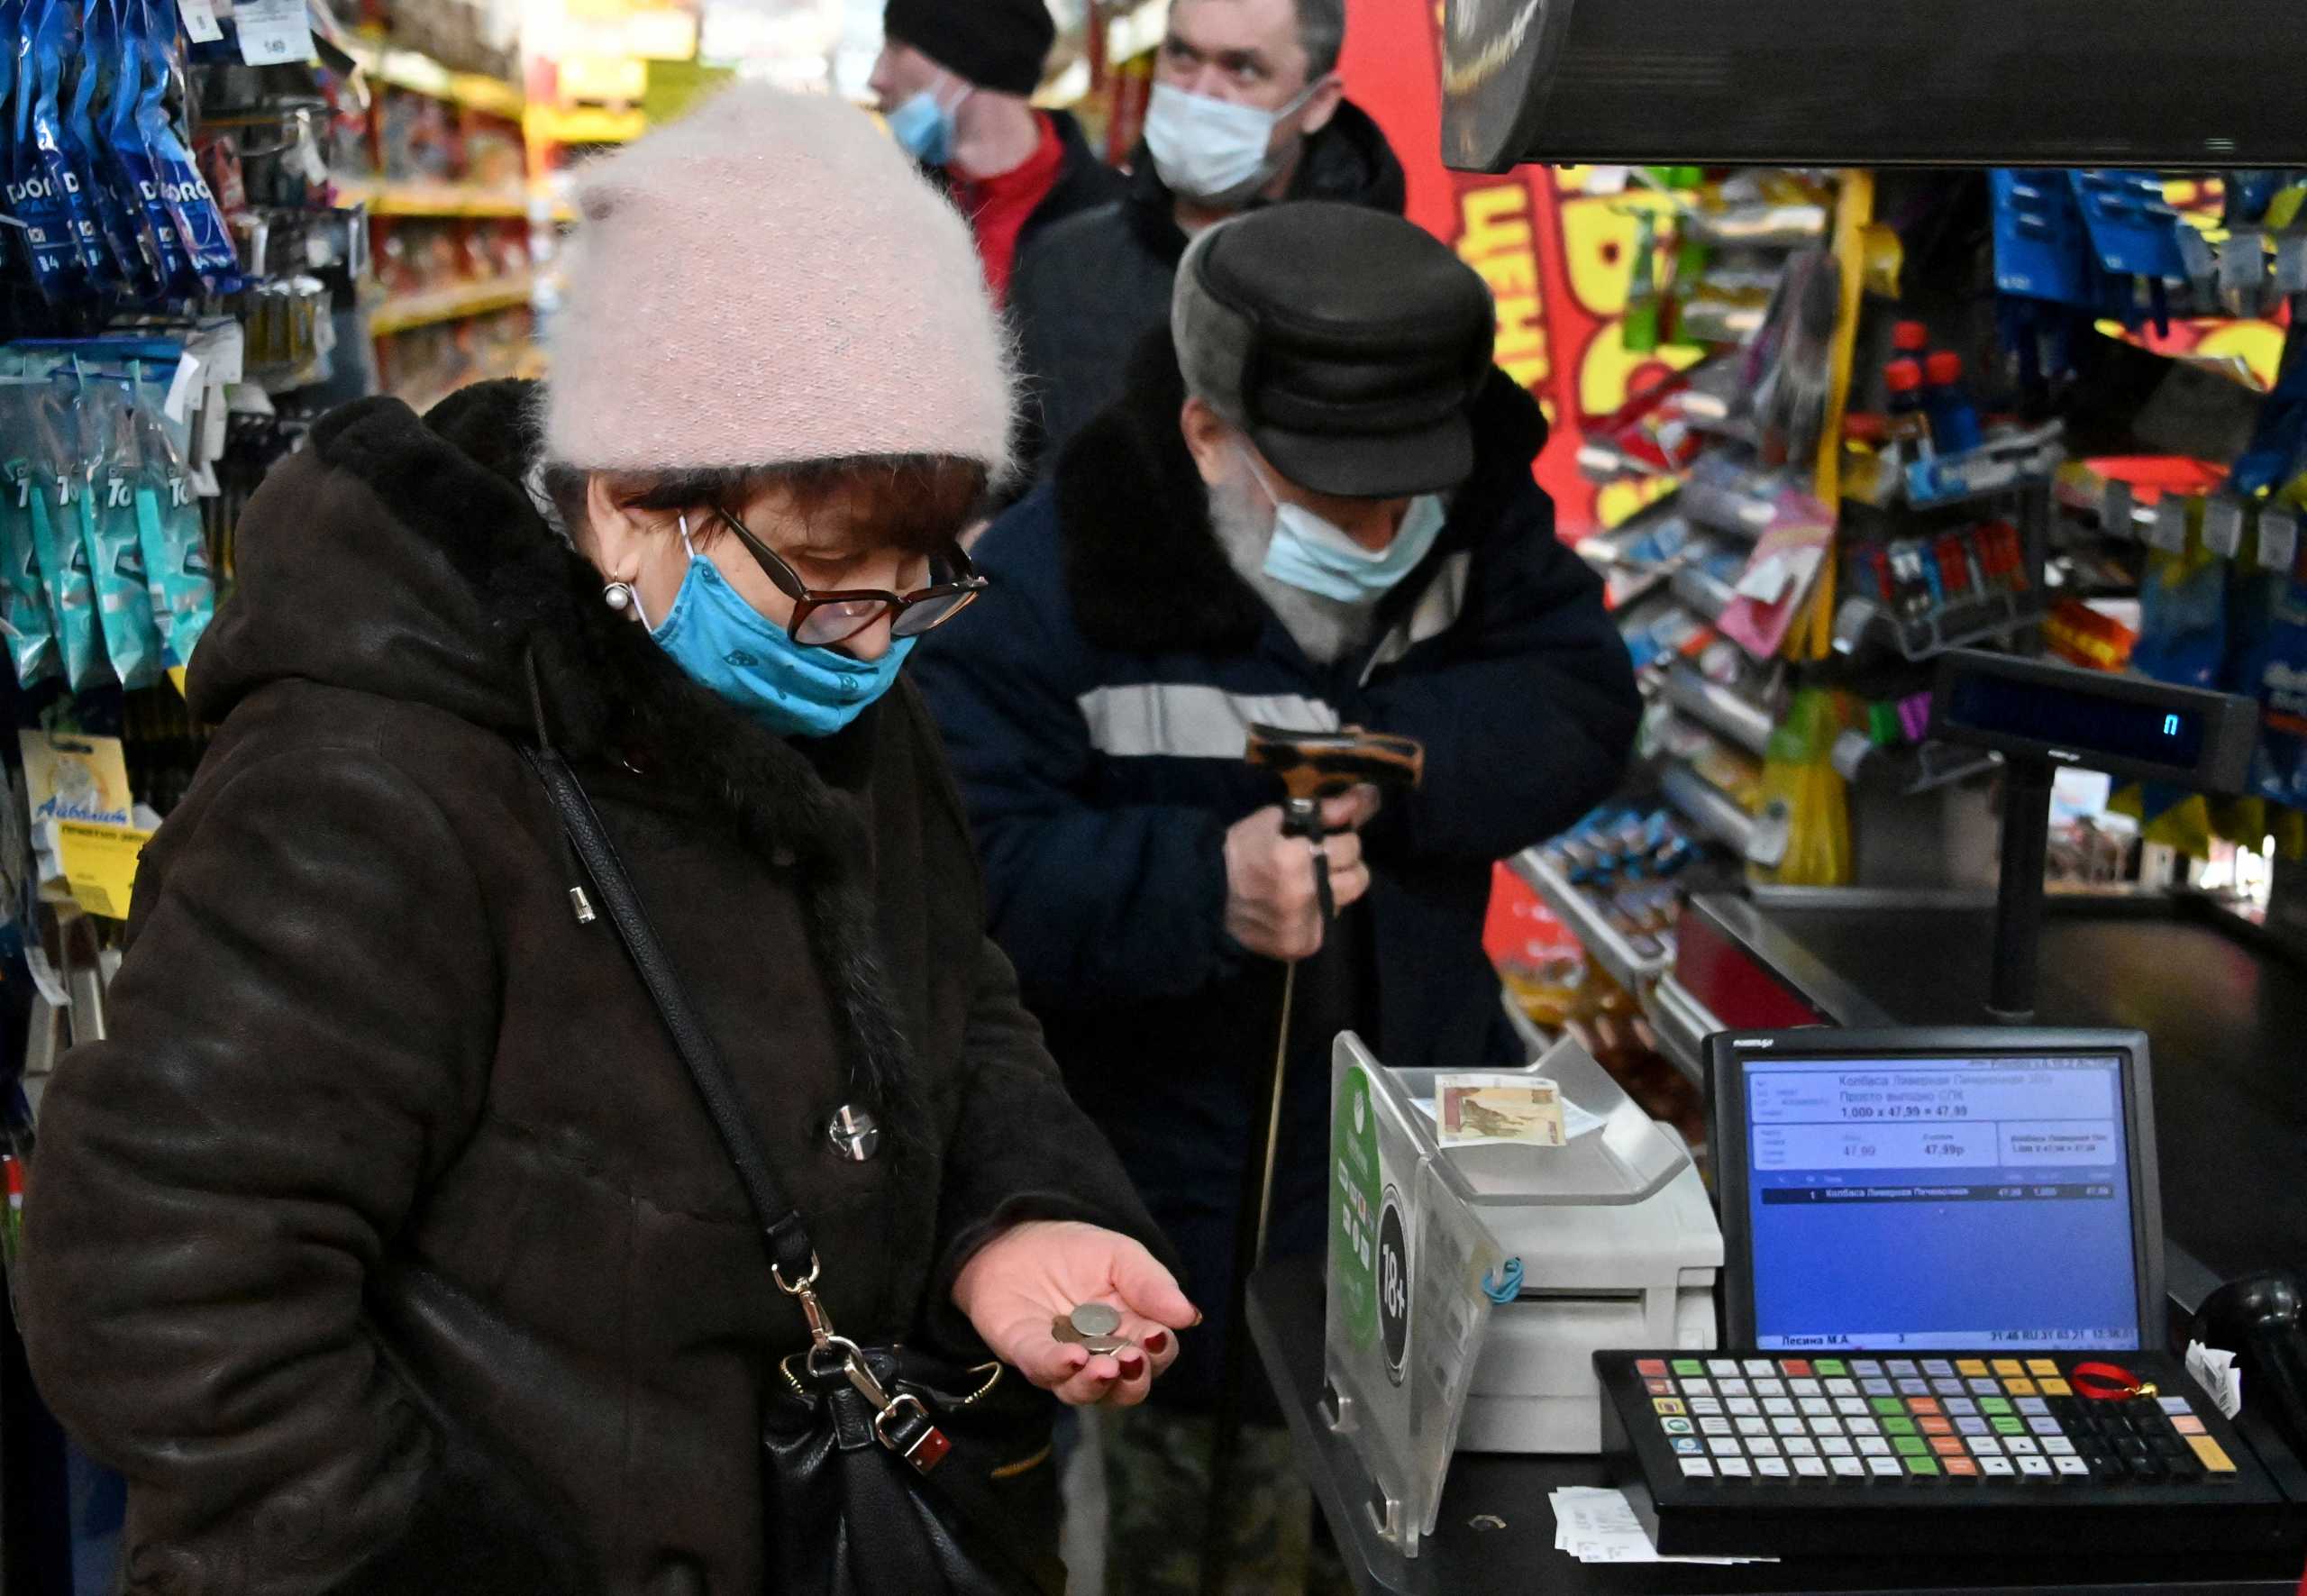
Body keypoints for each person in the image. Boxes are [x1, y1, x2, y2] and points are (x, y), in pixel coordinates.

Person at [20, 86, 1196, 1596]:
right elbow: (158, 1279)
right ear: (639, 499)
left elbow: (948, 996)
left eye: (925, 582)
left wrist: (1011, 1219)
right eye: (833, 578)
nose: (874, 642)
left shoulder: (842, 683)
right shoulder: (373, 775)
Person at [913, 203, 1643, 1592]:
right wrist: (1205, 889)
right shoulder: (1041, 589)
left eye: (1401, 492)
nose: (1379, 530)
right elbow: (970, 878)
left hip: (1429, 1169)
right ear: (1206, 438)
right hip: (1182, 1200)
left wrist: (1413, 767)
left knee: (1420, 1541)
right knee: (1207, 1537)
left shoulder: (1473, 518)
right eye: (1328, 496)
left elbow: (1582, 699)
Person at [1008, 0, 1404, 476]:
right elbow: (1010, 480)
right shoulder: (1059, 267)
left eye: (1242, 68)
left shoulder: (1388, 291)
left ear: (1317, 103)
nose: (1201, 92)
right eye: (1183, 55)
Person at [871, 0, 1120, 306]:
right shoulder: (890, 208)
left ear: (965, 56)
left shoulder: (1121, 221)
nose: (876, 78)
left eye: (896, 46)